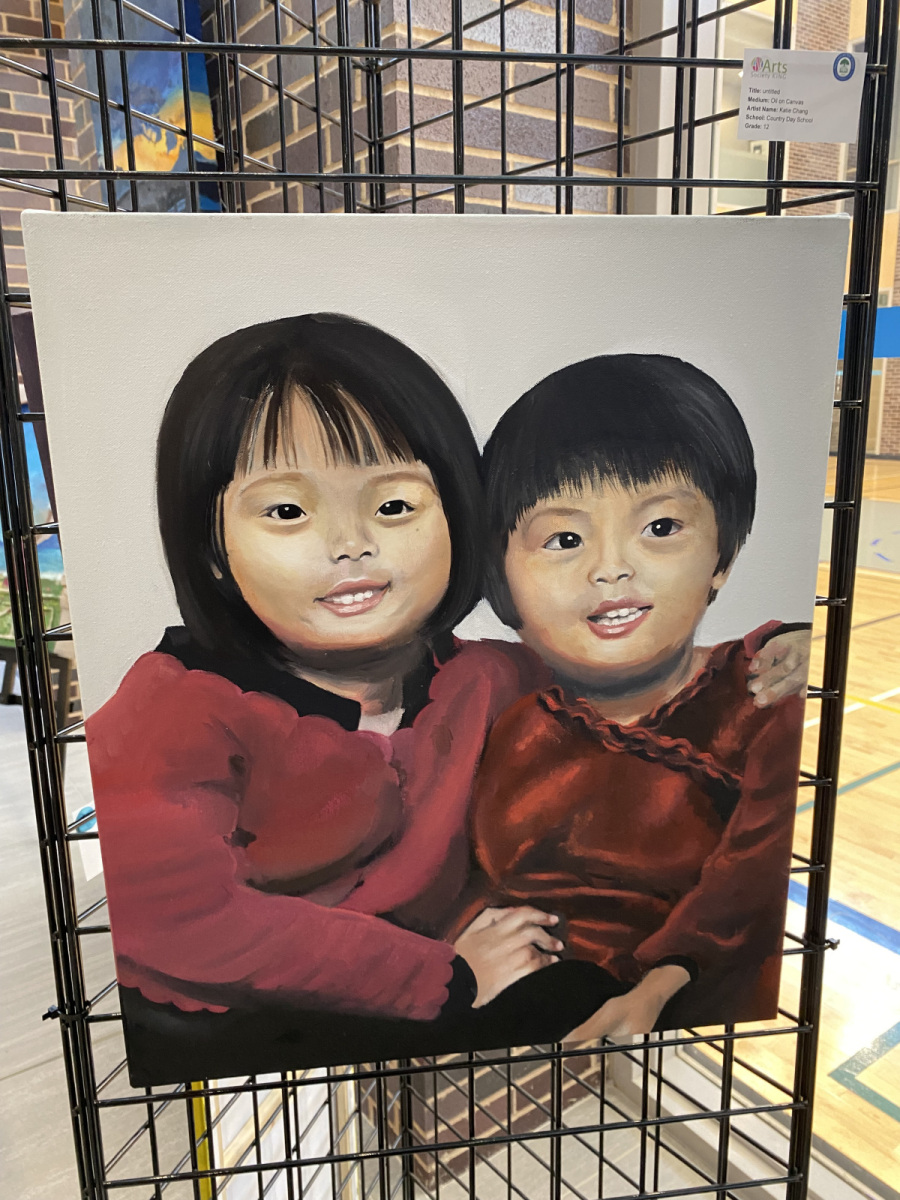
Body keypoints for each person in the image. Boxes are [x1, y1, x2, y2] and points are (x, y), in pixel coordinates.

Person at [88, 322, 810, 1082]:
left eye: (395, 506)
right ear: (212, 547)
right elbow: (178, 919)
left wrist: (777, 646)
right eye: (288, 513)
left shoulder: (484, 678)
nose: (350, 543)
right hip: (248, 1046)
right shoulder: (170, 710)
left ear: (456, 514)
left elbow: (625, 657)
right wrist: (446, 976)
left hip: (445, 1034)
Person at [464, 353, 810, 1037]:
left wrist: (659, 987)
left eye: (660, 528)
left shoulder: (763, 697)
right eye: (564, 538)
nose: (612, 568)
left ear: (723, 554)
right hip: (497, 1020)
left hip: (659, 1036)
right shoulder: (499, 704)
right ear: (501, 576)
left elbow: (750, 881)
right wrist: (456, 964)